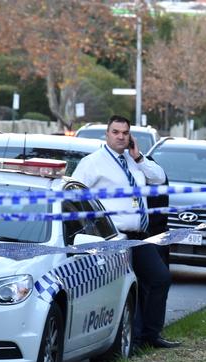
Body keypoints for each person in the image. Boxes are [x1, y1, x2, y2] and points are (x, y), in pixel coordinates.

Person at [72, 115, 179, 349]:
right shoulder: (93, 162)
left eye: (125, 132)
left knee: (160, 278)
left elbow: (158, 178)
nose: (120, 136)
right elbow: (76, 197)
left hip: (140, 236)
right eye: (115, 132)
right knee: (125, 289)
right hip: (113, 238)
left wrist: (138, 157)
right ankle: (132, 341)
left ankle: (152, 335)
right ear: (107, 134)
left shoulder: (135, 161)